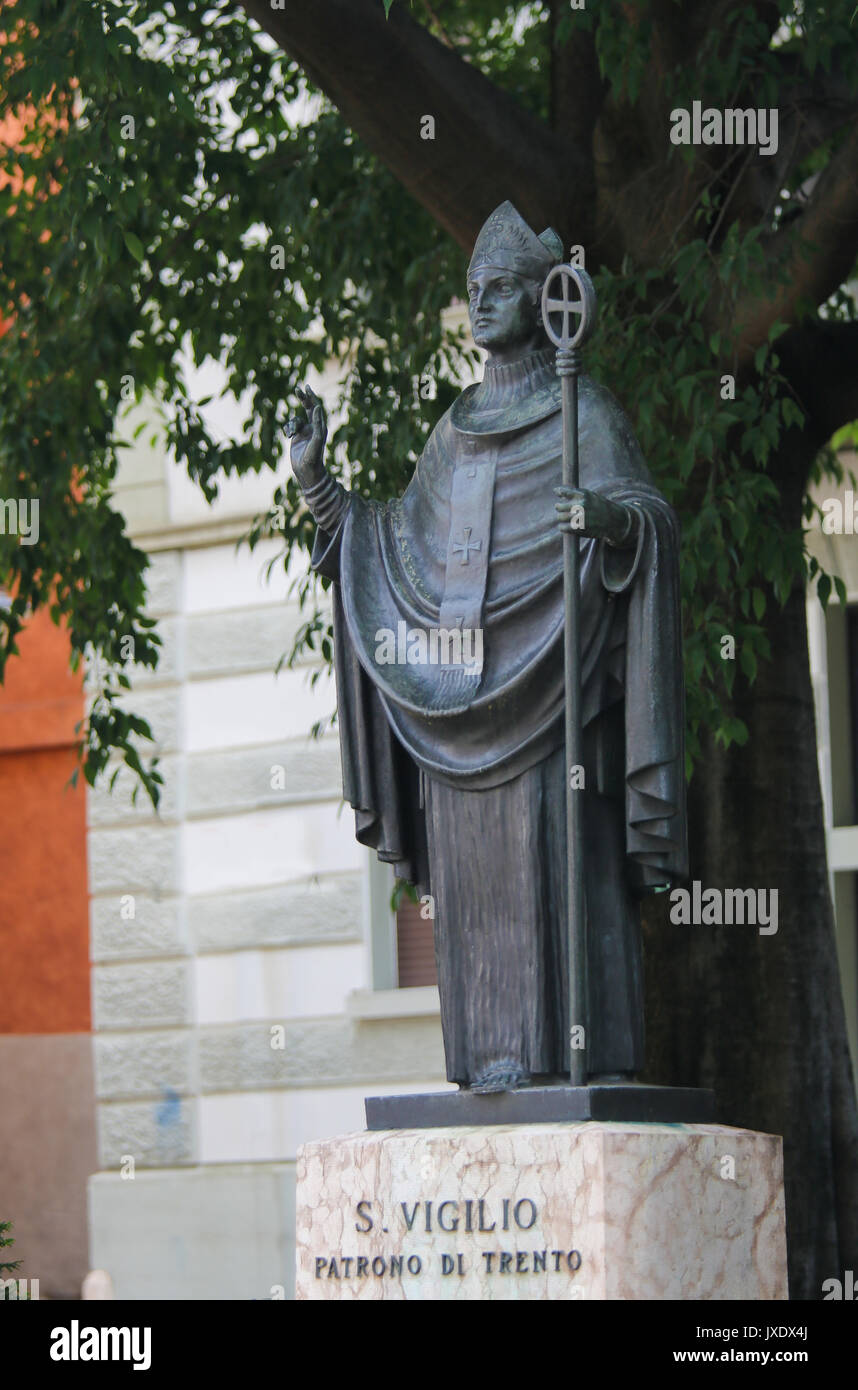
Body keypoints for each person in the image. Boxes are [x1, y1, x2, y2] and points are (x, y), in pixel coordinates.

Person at [288, 201, 687, 1093]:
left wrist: (610, 518)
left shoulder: (585, 411)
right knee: (473, 891)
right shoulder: (454, 431)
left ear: (544, 302)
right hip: (460, 709)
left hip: (556, 698)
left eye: (497, 289)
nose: (479, 305)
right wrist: (319, 482)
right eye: (472, 291)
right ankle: (490, 1062)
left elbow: (651, 521)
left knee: (560, 869)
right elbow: (390, 546)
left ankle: (580, 1058)